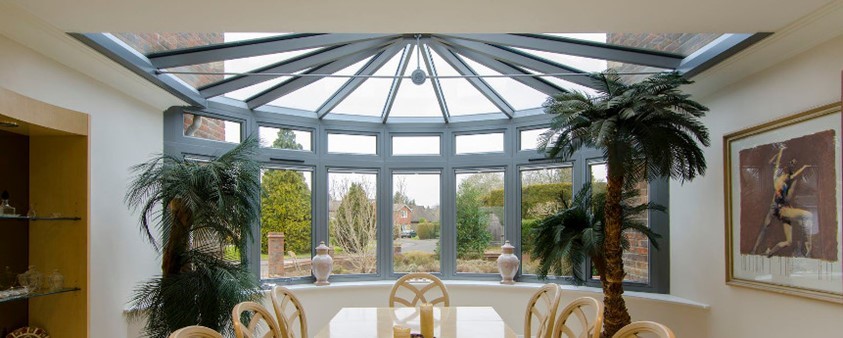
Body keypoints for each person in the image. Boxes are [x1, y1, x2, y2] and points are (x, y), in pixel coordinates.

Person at [757, 147, 814, 258]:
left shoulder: (781, 179)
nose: (787, 175)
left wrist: (803, 167)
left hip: (782, 212)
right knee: (809, 215)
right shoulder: (779, 180)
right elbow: (779, 164)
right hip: (782, 210)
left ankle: (769, 253)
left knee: (789, 242)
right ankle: (808, 244)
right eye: (786, 173)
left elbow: (794, 173)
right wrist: (781, 151)